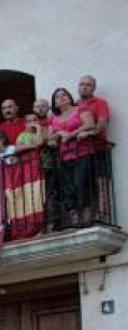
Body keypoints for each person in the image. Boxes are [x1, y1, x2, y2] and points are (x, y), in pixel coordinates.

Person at [48, 86, 99, 226]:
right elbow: (50, 137)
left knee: (81, 183)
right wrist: (58, 135)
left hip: (82, 153)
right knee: (68, 187)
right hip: (64, 156)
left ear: (70, 97)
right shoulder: (54, 119)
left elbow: (89, 124)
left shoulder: (81, 109)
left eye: (64, 95)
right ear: (55, 103)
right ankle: (75, 216)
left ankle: (87, 216)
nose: (61, 98)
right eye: (57, 97)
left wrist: (70, 134)